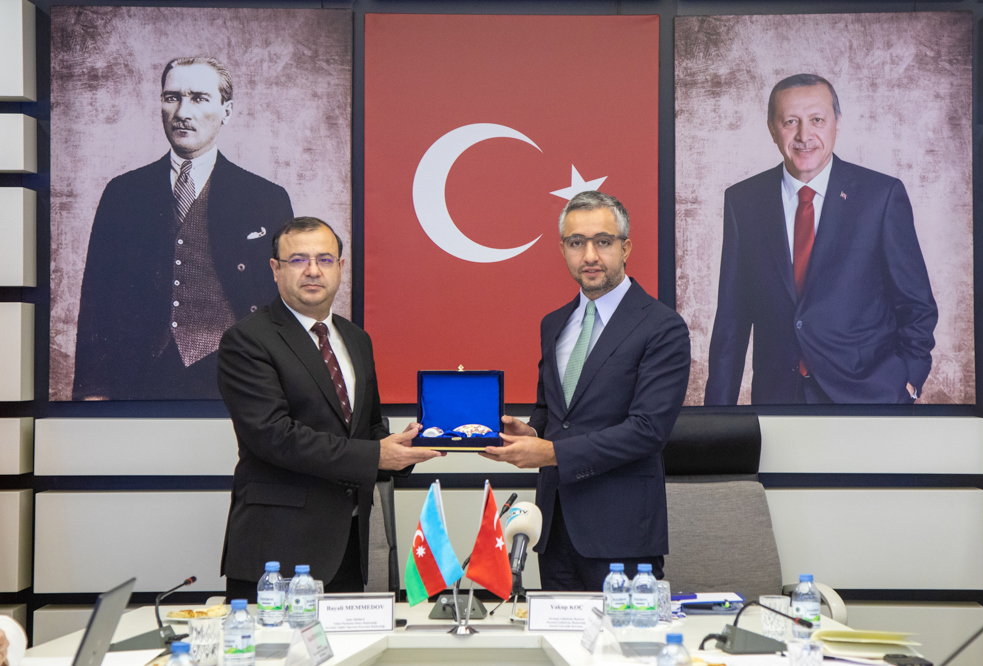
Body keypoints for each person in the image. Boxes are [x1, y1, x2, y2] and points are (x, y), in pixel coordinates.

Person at [217, 216, 441, 600]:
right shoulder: (247, 340)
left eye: (324, 259)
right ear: (275, 269)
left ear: (340, 267)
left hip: (347, 547)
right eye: (298, 260)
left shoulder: (355, 339)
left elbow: (367, 428)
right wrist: (376, 455)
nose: (312, 271)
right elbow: (273, 436)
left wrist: (402, 450)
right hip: (278, 552)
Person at [482, 191, 691, 591]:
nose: (590, 255)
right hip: (553, 528)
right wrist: (532, 432)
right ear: (563, 250)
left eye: (603, 241)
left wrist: (551, 452)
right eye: (577, 242)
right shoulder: (554, 323)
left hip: (622, 534)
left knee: (623, 634)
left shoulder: (662, 327)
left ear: (625, 248)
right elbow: (552, 411)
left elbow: (648, 430)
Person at [704, 74, 937, 405]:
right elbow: (732, 318)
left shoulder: (880, 196)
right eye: (790, 121)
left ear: (837, 123)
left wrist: (907, 381)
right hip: (778, 399)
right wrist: (717, 415)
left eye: (817, 120)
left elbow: (916, 305)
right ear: (772, 128)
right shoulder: (744, 201)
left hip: (868, 397)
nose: (804, 135)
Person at [74, 56, 294, 400]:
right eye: (172, 97)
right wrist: (93, 392)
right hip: (139, 376)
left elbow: (285, 303)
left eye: (199, 98)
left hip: (236, 375)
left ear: (227, 111)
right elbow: (96, 301)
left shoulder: (265, 197)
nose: (182, 112)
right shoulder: (123, 193)